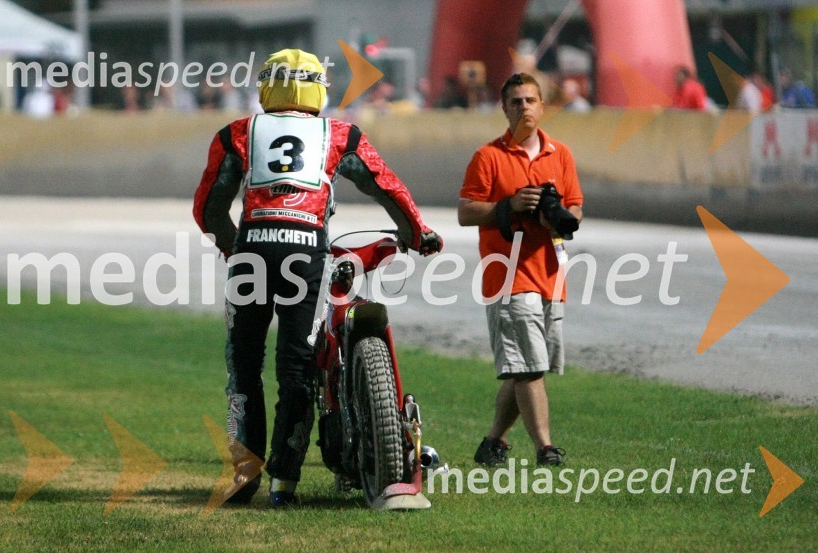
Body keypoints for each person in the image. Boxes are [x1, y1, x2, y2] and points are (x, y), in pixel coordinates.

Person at [193, 48, 443, 507]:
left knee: (243, 367)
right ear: (318, 87)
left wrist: (236, 247)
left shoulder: (236, 133)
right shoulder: (339, 133)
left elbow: (207, 208)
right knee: (296, 370)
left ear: (267, 85)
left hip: (252, 250)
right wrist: (417, 232)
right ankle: (283, 485)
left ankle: (243, 473)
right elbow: (386, 185)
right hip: (305, 250)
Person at [458, 73, 583, 467]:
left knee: (525, 366)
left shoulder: (560, 154)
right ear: (505, 109)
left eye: (530, 100)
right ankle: (545, 448)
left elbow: (576, 206)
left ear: (542, 106)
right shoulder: (488, 157)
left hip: (549, 271)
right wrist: (508, 206)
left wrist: (558, 219)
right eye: (516, 102)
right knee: (529, 367)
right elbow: (465, 212)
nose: (524, 107)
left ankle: (493, 442)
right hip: (507, 274)